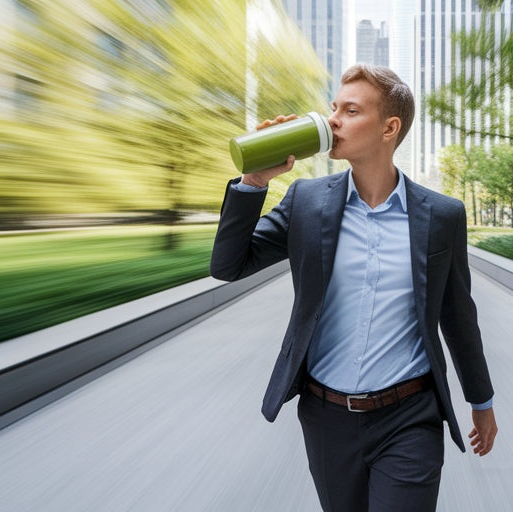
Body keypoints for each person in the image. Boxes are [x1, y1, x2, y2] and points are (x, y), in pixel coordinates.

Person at [209, 64, 497, 511]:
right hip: (326, 419)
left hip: (410, 416)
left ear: (390, 127)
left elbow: (458, 314)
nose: (332, 120)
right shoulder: (305, 201)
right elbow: (228, 265)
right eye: (333, 108)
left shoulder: (442, 216)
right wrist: (254, 182)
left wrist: (481, 400)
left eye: (350, 110)